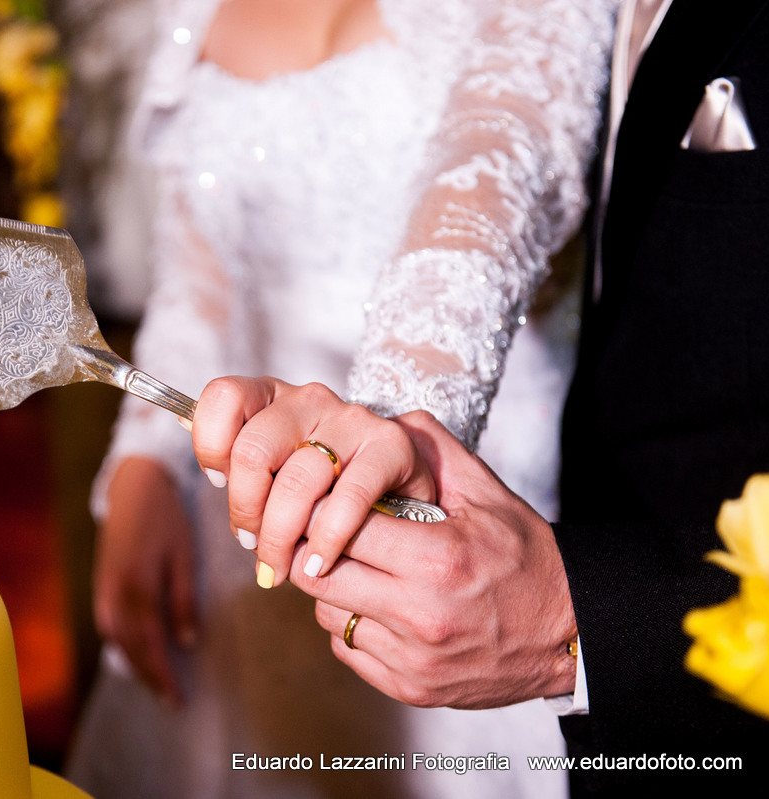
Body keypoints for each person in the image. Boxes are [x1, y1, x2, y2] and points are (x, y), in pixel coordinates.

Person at [184, 0, 769, 794]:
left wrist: (395, 423)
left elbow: (502, 146)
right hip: (399, 540)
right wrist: (146, 465)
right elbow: (193, 268)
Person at [65, 1, 613, 797]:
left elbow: (489, 186)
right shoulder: (189, 12)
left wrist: (385, 438)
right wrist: (144, 463)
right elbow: (201, 284)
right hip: (248, 518)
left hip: (453, 534)